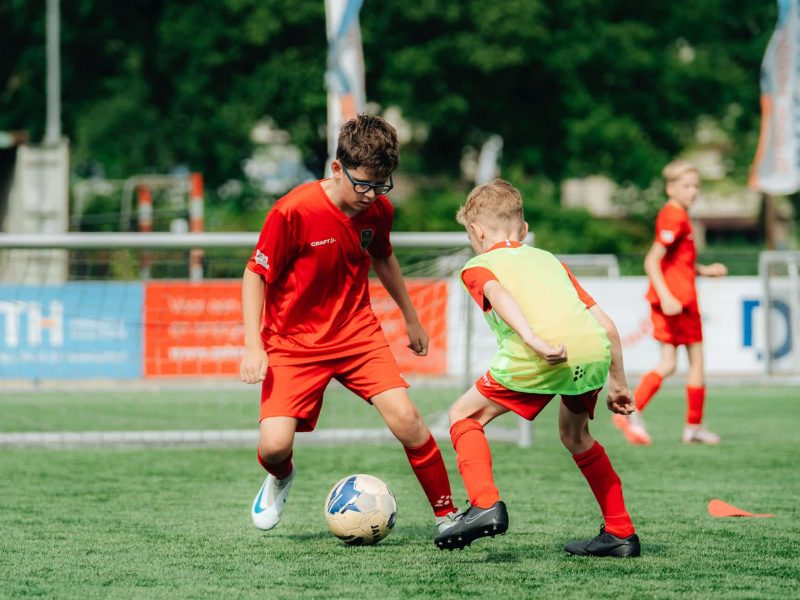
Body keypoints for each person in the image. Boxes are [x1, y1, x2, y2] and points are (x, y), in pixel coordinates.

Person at [239, 114, 457, 534]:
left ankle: (447, 516)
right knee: (274, 446)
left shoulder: (378, 210)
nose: (371, 195)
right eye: (363, 183)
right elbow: (255, 273)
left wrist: (411, 318)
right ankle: (281, 476)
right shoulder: (292, 211)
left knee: (408, 419)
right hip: (293, 343)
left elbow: (384, 258)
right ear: (336, 168)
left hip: (357, 334)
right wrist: (253, 344)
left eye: (382, 184)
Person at [433, 179, 640, 557]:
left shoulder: (477, 266)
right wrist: (620, 384)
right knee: (576, 436)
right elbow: (606, 325)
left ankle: (484, 504)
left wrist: (533, 340)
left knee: (464, 415)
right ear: (524, 231)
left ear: (476, 232)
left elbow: (499, 294)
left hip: (541, 352)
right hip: (591, 351)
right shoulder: (550, 261)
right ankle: (621, 531)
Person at [613, 160, 727, 446]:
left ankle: (632, 410)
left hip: (678, 299)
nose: (693, 191)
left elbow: (676, 263)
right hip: (677, 302)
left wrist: (704, 270)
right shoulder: (674, 216)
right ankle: (692, 426)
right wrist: (666, 296)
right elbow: (651, 260)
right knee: (694, 361)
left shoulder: (678, 215)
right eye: (686, 186)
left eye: (696, 186)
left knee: (669, 363)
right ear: (671, 188)